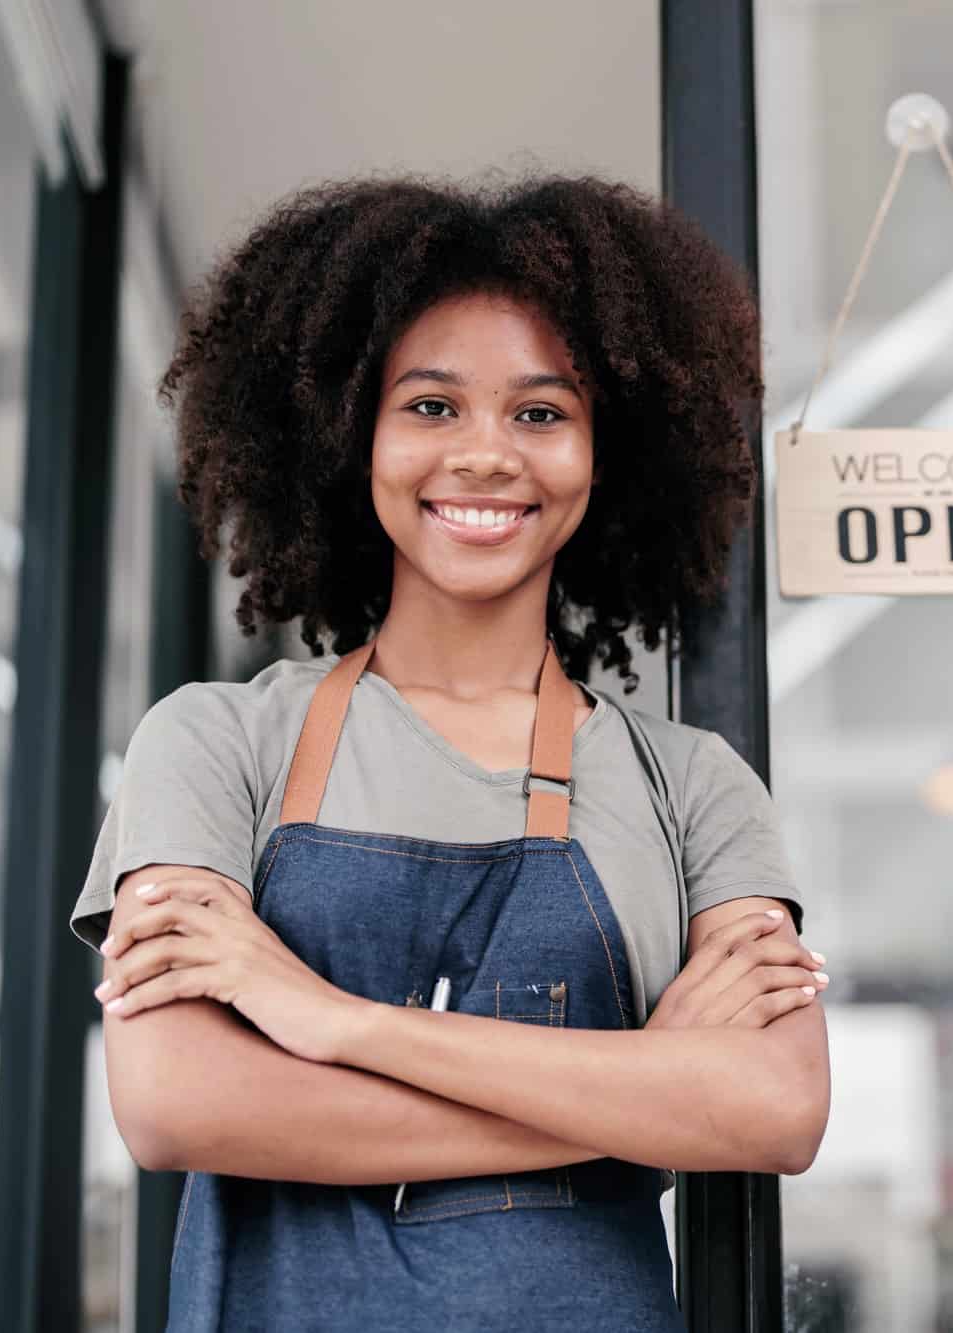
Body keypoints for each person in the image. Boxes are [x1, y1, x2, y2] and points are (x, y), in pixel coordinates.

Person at [66, 174, 831, 1330]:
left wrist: (334, 1022)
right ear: (344, 434)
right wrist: (640, 1096)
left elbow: (774, 1107)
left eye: (540, 413)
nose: (485, 455)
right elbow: (181, 1104)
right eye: (430, 406)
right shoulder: (217, 742)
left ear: (603, 451)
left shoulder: (693, 787)